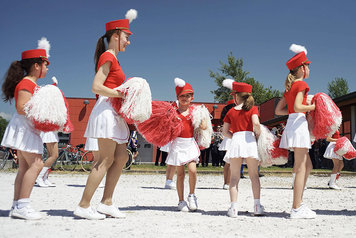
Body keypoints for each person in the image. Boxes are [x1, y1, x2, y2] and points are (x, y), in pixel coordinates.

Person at [74, 10, 137, 220]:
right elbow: (96, 86)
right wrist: (122, 92)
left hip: (114, 112)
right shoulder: (108, 56)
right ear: (117, 35)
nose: (128, 42)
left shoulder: (113, 57)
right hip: (107, 110)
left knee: (121, 157)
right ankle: (83, 205)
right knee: (105, 160)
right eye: (127, 37)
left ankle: (107, 202)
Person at [1, 47, 50, 219]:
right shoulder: (27, 83)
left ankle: (16, 205)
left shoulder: (29, 83)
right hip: (25, 129)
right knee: (36, 165)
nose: (47, 68)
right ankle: (22, 205)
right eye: (46, 64)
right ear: (37, 65)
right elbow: (21, 108)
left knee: (23, 168)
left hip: (27, 128)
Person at [275, 44, 316, 219]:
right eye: (307, 65)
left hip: (293, 122)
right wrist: (314, 106)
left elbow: (278, 110)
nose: (308, 69)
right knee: (300, 168)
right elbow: (300, 106)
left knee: (307, 166)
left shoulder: (289, 87)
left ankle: (299, 202)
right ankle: (296, 208)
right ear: (302, 68)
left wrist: (293, 112)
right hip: (298, 124)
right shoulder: (301, 85)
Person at [222, 80, 264, 218]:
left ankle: (234, 208)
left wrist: (233, 136)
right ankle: (257, 206)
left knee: (234, 178)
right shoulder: (253, 109)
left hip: (236, 141)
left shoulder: (231, 112)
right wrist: (257, 135)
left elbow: (224, 132)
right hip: (250, 140)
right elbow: (256, 124)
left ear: (236, 96)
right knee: (254, 176)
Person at [165, 78, 206, 212]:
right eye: (182, 96)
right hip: (177, 145)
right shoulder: (173, 112)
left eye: (187, 96)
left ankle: (192, 195)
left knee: (193, 170)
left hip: (189, 144)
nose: (185, 98)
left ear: (192, 98)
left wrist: (201, 118)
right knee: (180, 174)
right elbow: (168, 128)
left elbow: (204, 126)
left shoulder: (195, 111)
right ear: (177, 97)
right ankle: (181, 201)